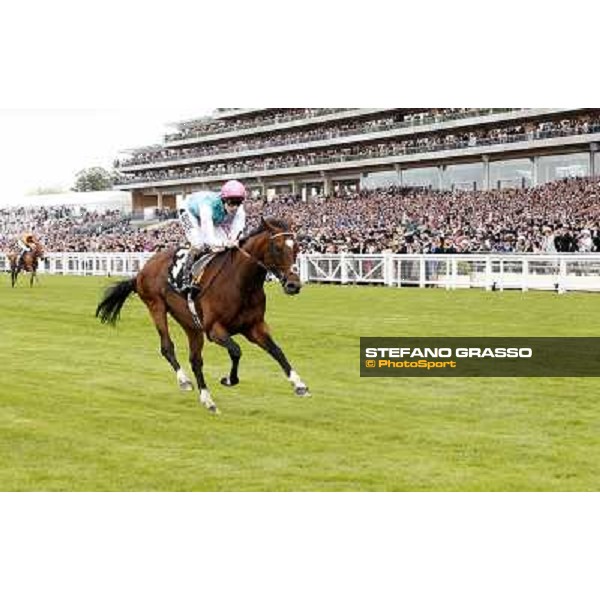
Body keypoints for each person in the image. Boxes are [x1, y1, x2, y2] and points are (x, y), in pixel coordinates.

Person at [178, 179, 247, 290]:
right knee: (199, 243)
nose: (235, 207)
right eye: (231, 203)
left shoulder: (240, 210)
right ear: (224, 200)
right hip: (189, 211)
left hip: (214, 218)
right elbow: (208, 238)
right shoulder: (207, 205)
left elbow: (237, 233)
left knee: (224, 246)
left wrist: (232, 241)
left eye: (238, 203)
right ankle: (186, 278)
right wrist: (226, 243)